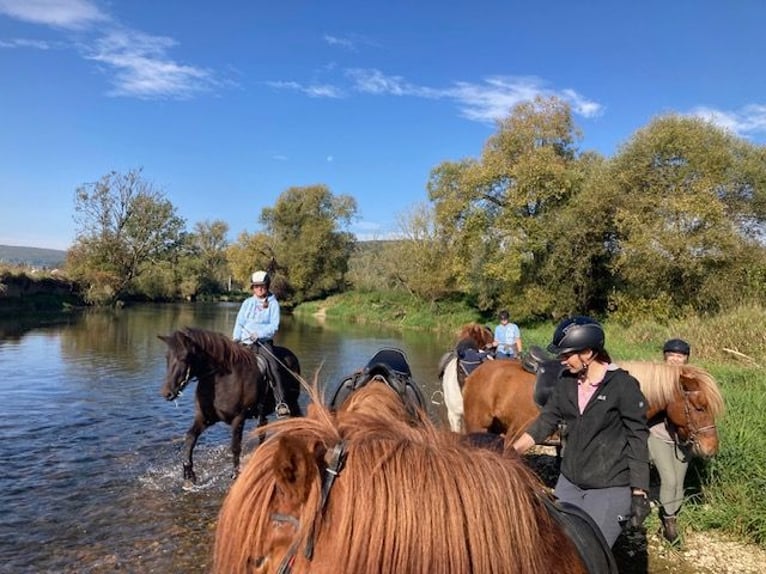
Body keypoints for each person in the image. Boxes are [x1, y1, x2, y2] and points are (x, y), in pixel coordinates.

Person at [512, 316, 651, 547]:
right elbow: (546, 420)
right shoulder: (566, 381)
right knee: (558, 547)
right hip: (569, 482)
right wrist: (513, 450)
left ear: (588, 353)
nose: (562, 361)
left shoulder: (623, 386)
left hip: (608, 487)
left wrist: (639, 492)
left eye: (567, 355)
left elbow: (637, 438)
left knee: (589, 552)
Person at [649, 338, 693, 543]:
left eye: (680, 356)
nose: (675, 359)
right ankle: (669, 523)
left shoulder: (692, 378)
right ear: (665, 356)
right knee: (669, 479)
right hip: (658, 435)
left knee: (679, 481)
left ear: (686, 358)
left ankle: (673, 513)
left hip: (684, 440)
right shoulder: (656, 378)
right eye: (672, 355)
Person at [232, 271, 290, 418]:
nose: (259, 289)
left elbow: (274, 326)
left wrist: (260, 334)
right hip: (245, 343)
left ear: (267, 286)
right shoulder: (247, 303)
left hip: (263, 343)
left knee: (274, 367)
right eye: (256, 286)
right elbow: (239, 323)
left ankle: (280, 402)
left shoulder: (273, 303)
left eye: (262, 286)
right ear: (252, 288)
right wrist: (235, 339)